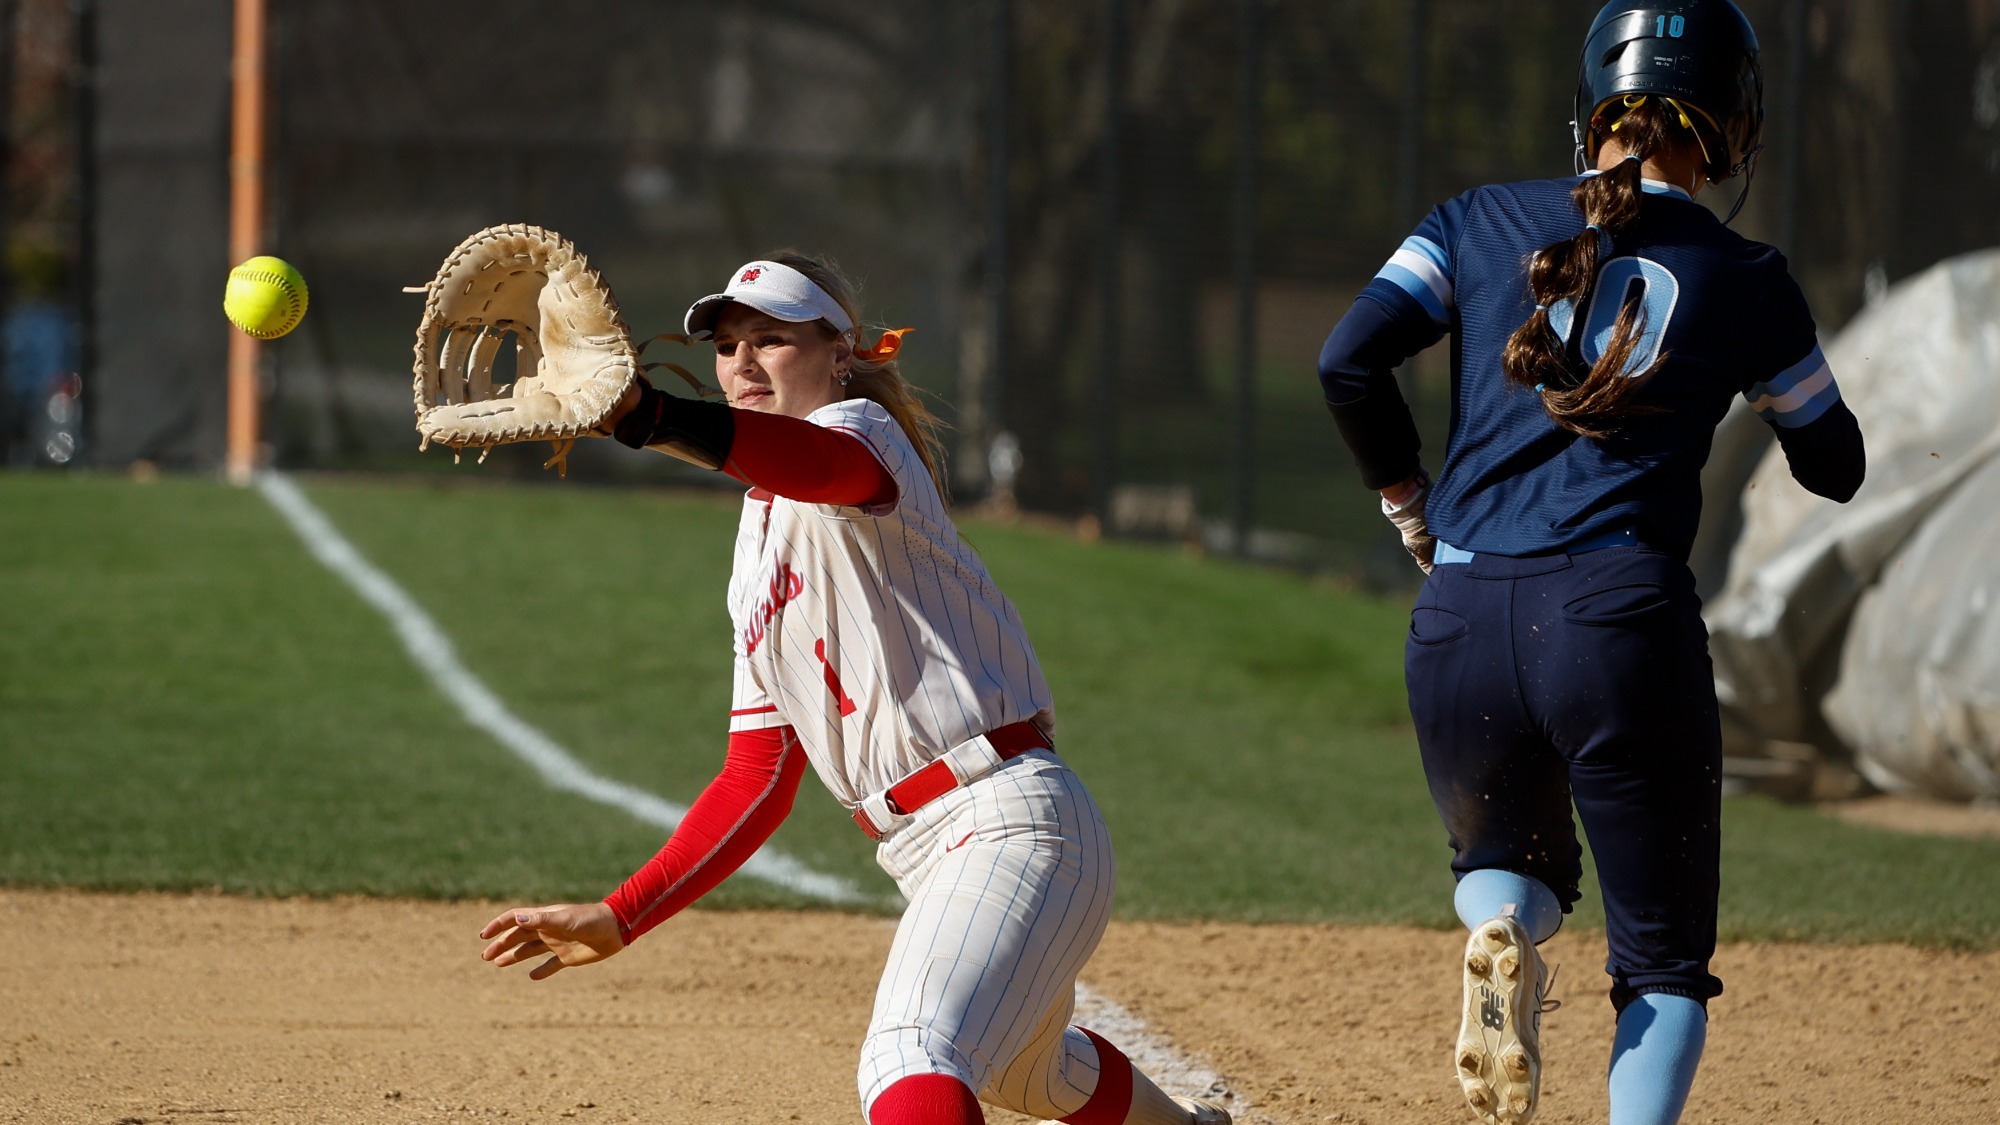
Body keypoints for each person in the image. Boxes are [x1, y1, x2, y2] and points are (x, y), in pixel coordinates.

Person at [478, 252, 1230, 1125]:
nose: (743, 363)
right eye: (727, 345)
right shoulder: (754, 544)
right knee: (1032, 1073)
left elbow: (812, 463)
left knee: (910, 1053)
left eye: (772, 339)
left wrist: (647, 415)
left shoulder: (863, 434)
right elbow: (756, 775)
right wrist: (622, 913)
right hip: (929, 850)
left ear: (841, 352)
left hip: (1006, 818)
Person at [1315, 3, 1864, 1124]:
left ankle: (1499, 934)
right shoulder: (1743, 271)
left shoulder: (1471, 217)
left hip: (1459, 611)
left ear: (1593, 107)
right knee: (1660, 966)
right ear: (1729, 120)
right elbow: (1835, 465)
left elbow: (1345, 362)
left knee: (1508, 864)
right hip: (1616, 620)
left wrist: (1409, 506)